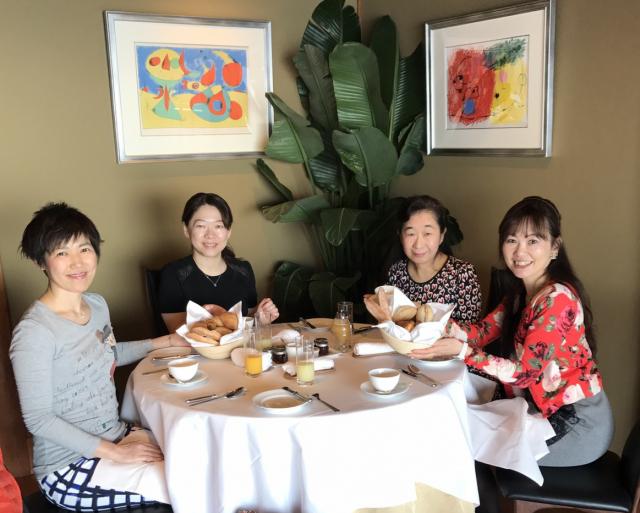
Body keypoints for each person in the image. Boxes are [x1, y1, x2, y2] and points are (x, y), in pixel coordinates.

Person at [10, 203, 189, 511]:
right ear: (42, 262)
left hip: (116, 435)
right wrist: (116, 453)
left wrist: (166, 341)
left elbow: (107, 354)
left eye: (85, 249)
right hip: (67, 467)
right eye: (62, 252)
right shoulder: (34, 332)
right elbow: (38, 419)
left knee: (200, 453)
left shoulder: (96, 305)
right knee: (186, 485)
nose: (77, 262)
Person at [411, 196, 613, 466]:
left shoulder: (557, 299)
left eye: (533, 241)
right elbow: (479, 333)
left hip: (576, 425)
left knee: (461, 443)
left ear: (555, 247)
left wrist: (463, 352)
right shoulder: (520, 294)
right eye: (511, 240)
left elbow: (525, 374)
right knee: (456, 429)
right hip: (542, 412)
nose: (520, 252)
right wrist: (420, 316)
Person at [157, 192, 279, 332]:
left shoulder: (244, 270)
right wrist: (207, 318)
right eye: (201, 226)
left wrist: (258, 318)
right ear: (186, 230)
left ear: (228, 231)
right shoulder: (173, 274)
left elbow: (247, 317)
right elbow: (176, 331)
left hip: (240, 347)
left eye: (218, 226)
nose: (210, 235)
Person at [385, 195, 482, 323]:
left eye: (427, 233)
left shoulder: (463, 274)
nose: (418, 245)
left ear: (441, 235)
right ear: (400, 235)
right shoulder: (396, 272)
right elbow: (389, 323)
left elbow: (470, 330)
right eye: (411, 234)